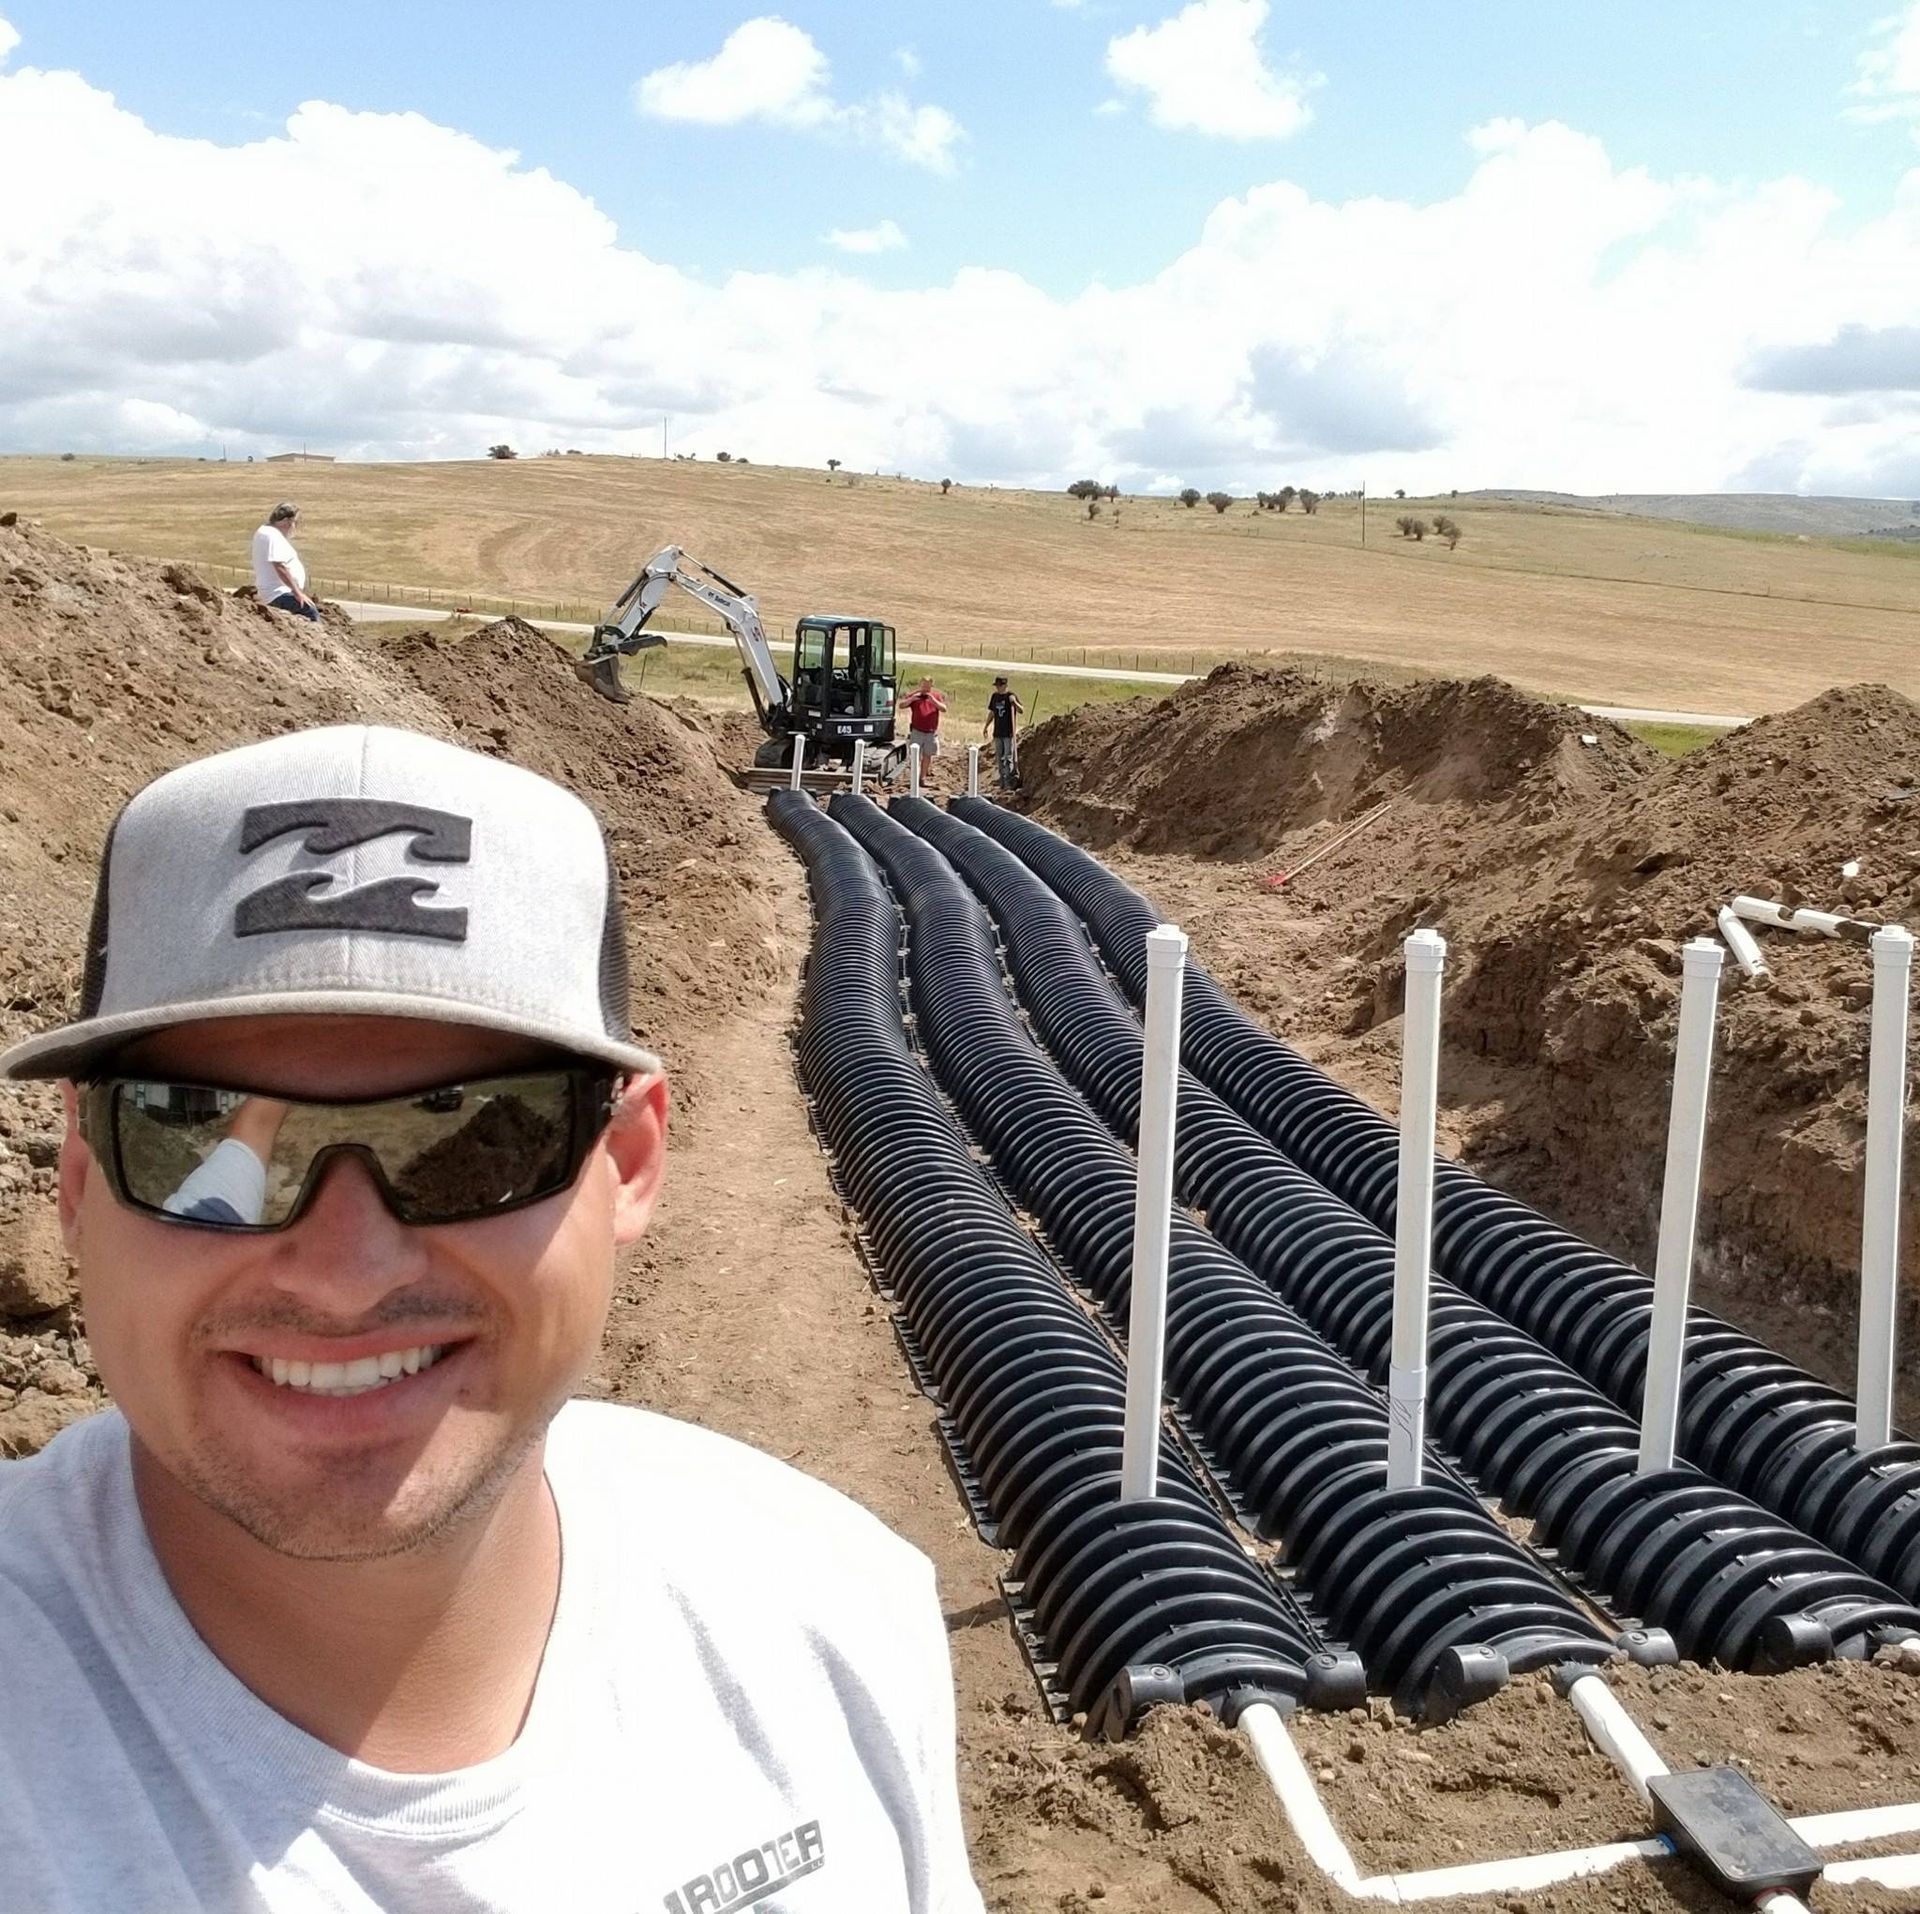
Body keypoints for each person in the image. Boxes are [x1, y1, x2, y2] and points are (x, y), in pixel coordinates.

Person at [0, 724, 984, 1913]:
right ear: (77, 1181)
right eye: (203, 1131)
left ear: (627, 1159)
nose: (345, 1272)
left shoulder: (833, 1623)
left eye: (472, 1137)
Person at [250, 501, 320, 620]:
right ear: (287, 521)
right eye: (295, 523)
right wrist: (297, 593)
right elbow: (279, 566)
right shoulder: (272, 536)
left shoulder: (267, 532)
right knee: (310, 611)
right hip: (277, 593)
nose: (294, 527)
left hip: (277, 592)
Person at [983, 677, 1023, 790]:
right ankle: (1002, 779)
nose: (998, 688)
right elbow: (992, 713)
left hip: (1008, 733)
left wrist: (1014, 702)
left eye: (1000, 686)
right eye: (996, 686)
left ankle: (1009, 781)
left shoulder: (1011, 696)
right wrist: (986, 726)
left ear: (1005, 685)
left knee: (1008, 757)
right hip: (998, 732)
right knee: (999, 757)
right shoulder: (995, 697)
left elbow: (1021, 710)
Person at [902, 676, 946, 769]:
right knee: (915, 755)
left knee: (927, 756)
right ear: (920, 685)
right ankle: (915, 776)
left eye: (928, 686)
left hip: (930, 732)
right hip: (917, 730)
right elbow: (901, 705)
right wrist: (912, 699)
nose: (925, 689)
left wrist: (933, 701)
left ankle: (922, 778)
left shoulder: (936, 696)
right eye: (924, 686)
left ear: (931, 686)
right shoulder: (915, 695)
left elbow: (944, 709)